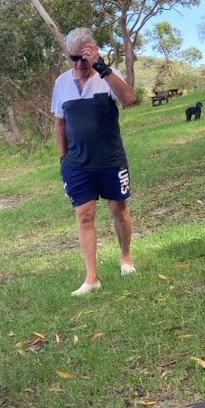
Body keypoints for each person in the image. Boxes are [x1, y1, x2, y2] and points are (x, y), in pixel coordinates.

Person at [52, 28, 137, 295]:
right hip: (77, 164)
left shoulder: (108, 76)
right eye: (73, 58)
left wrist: (101, 66)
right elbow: (60, 122)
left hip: (111, 160)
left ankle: (125, 257)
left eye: (84, 58)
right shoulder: (61, 83)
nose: (79, 63)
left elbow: (129, 100)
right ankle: (92, 278)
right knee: (84, 215)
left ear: (94, 52)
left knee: (118, 209)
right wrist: (63, 157)